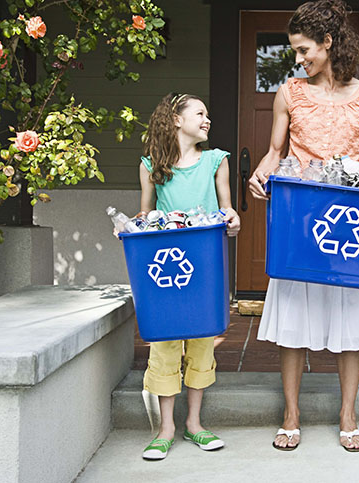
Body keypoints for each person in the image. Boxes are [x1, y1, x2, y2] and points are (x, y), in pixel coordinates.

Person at [248, 0, 359, 452]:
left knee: (351, 317)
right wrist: (261, 170)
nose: (298, 58)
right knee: (293, 320)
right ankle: (290, 414)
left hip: (351, 224)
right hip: (301, 219)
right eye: (294, 51)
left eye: (303, 48)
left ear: (328, 42)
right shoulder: (290, 92)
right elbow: (276, 150)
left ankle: (348, 416)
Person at [139, 92, 240, 460]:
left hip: (205, 266)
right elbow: (145, 216)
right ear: (177, 120)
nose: (207, 119)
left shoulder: (216, 161)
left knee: (201, 342)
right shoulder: (152, 164)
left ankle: (193, 424)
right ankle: (166, 428)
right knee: (165, 343)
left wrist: (233, 219)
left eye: (208, 114)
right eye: (200, 113)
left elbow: (227, 208)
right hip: (167, 269)